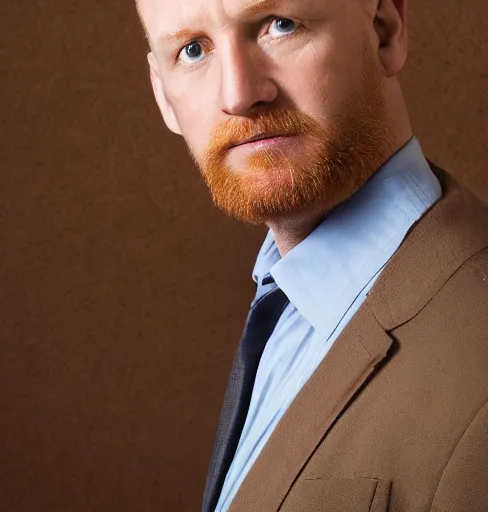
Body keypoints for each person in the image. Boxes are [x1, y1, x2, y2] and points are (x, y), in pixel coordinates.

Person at [135, 0, 488, 510]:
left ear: (385, 31)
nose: (238, 94)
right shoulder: (285, 301)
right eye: (192, 50)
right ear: (163, 96)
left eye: (280, 25)